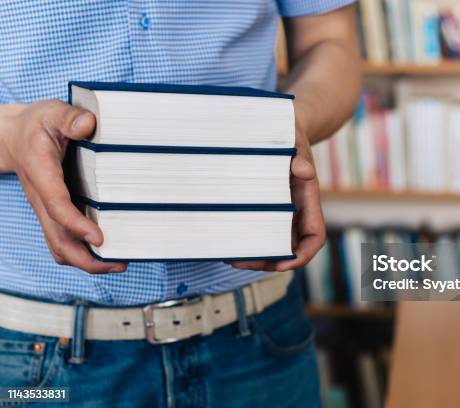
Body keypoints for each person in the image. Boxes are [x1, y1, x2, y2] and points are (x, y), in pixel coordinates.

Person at [0, 1, 361, 406]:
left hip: (259, 338)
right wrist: (12, 136)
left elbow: (329, 41)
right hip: (40, 355)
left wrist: (290, 123)